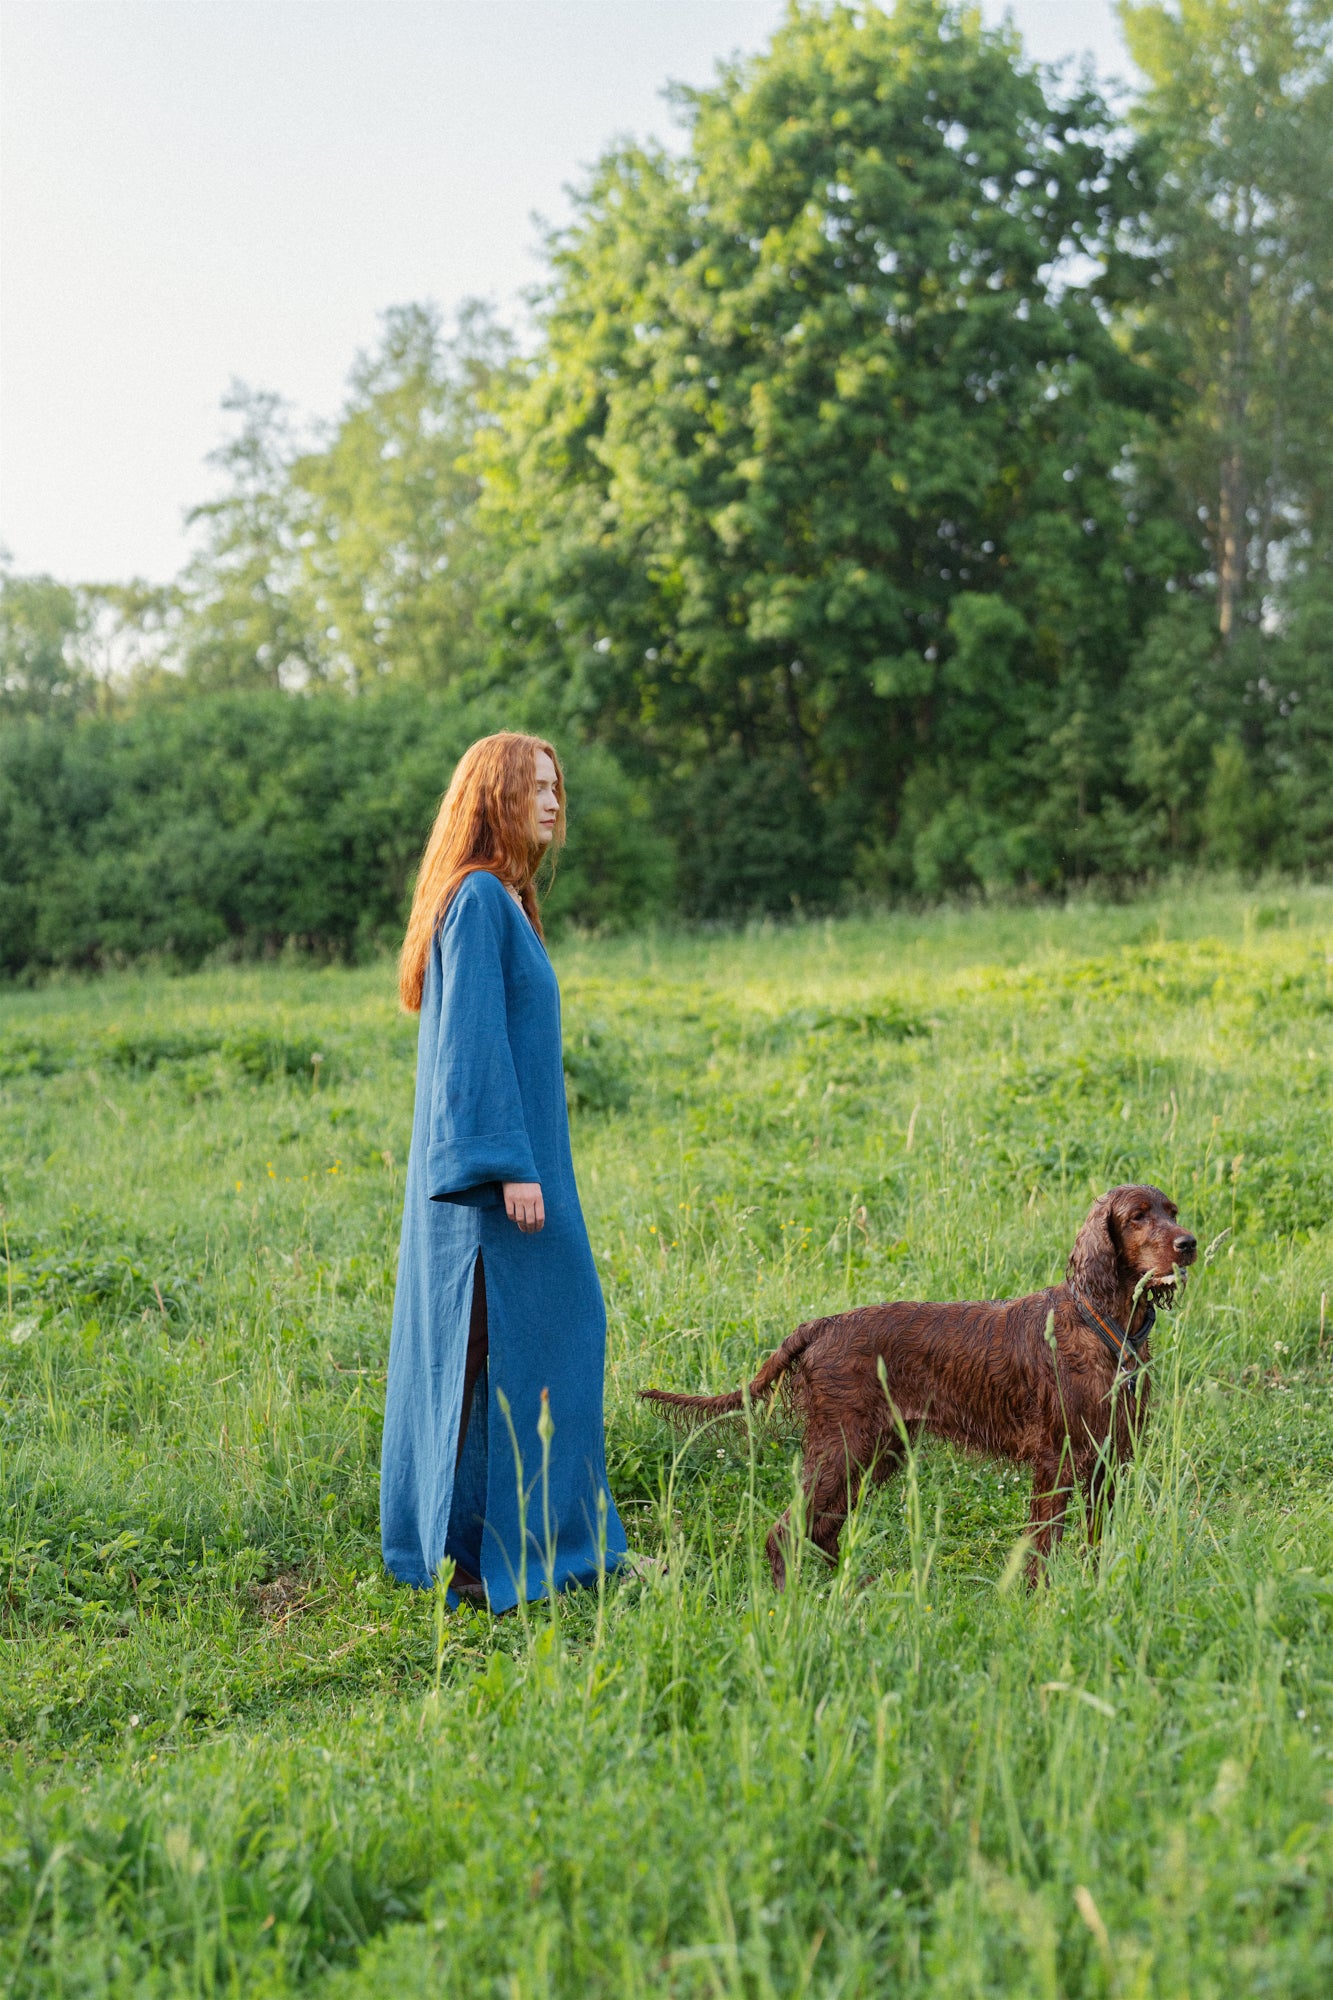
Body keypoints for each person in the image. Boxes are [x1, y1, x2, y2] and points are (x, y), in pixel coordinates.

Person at [380, 731, 628, 1611]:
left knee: (526, 1350)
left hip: (521, 1178)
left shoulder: (505, 901)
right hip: (500, 1191)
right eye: (539, 787)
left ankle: (532, 1546)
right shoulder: (479, 899)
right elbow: (469, 1050)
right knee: (499, 1355)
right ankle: (484, 1561)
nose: (556, 802)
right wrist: (505, 1169)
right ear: (495, 796)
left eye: (559, 786)